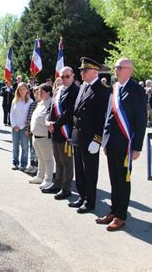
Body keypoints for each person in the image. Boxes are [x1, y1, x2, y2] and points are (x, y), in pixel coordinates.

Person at [99, 58, 147, 231]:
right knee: (114, 179)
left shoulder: (137, 90)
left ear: (129, 70)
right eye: (115, 67)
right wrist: (105, 140)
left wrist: (137, 147)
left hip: (126, 144)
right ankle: (114, 210)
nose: (115, 69)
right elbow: (109, 117)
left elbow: (141, 120)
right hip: (112, 143)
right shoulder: (116, 88)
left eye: (119, 67)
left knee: (123, 180)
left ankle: (121, 216)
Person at [69, 57, 110, 213]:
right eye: (80, 70)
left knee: (90, 171)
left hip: (90, 138)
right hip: (78, 136)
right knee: (79, 169)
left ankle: (90, 201)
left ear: (95, 71)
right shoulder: (83, 87)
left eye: (84, 70)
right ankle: (82, 196)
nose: (82, 73)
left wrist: (97, 140)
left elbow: (103, 118)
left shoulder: (103, 89)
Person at [46, 66, 79, 199]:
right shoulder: (58, 90)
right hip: (55, 130)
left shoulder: (76, 91)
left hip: (66, 132)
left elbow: (69, 113)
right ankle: (57, 184)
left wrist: (55, 124)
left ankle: (66, 188)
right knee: (58, 159)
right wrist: (49, 121)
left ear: (72, 76)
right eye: (62, 76)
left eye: (67, 76)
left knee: (66, 161)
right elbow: (51, 109)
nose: (64, 79)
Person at [29, 84, 54, 190]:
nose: (39, 94)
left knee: (48, 159)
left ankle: (48, 180)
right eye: (38, 92)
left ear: (48, 92)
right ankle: (40, 176)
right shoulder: (40, 103)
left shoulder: (52, 104)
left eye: (41, 92)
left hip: (45, 137)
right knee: (40, 158)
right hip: (36, 136)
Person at [10, 82, 33, 171]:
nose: (22, 91)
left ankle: (23, 164)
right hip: (14, 127)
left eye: (23, 89)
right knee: (15, 146)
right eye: (20, 89)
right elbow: (11, 114)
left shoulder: (30, 102)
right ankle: (15, 163)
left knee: (24, 146)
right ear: (18, 90)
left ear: (27, 90)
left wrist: (21, 126)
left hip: (24, 128)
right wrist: (14, 125)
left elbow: (28, 116)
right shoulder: (15, 100)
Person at [24, 86, 40, 175]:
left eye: (38, 93)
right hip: (31, 130)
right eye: (35, 93)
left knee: (38, 149)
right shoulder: (32, 104)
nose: (37, 95)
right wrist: (27, 129)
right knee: (32, 149)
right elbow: (29, 117)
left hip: (39, 131)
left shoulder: (43, 104)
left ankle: (37, 166)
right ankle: (32, 164)